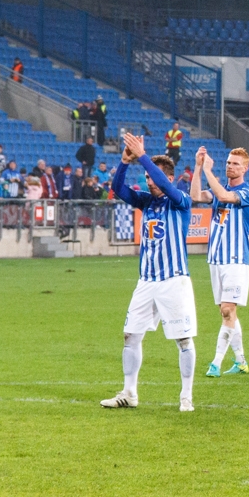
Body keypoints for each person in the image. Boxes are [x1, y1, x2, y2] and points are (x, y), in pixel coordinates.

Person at [99, 131, 198, 412]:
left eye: (152, 177)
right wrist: (124, 161)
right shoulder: (146, 202)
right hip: (146, 281)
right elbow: (118, 189)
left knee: (183, 339)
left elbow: (164, 184)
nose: (149, 181)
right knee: (130, 335)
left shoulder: (180, 201)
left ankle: (186, 396)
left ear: (169, 178)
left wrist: (142, 156)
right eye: (146, 177)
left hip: (174, 280)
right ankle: (129, 393)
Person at [191, 146, 249, 378]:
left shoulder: (248, 193)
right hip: (216, 260)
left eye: (235, 163)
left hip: (235, 260)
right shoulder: (219, 190)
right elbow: (195, 196)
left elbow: (224, 197)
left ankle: (216, 363)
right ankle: (240, 361)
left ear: (245, 168)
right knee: (226, 313)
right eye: (229, 162)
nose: (230, 166)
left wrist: (208, 171)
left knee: (228, 309)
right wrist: (198, 167)